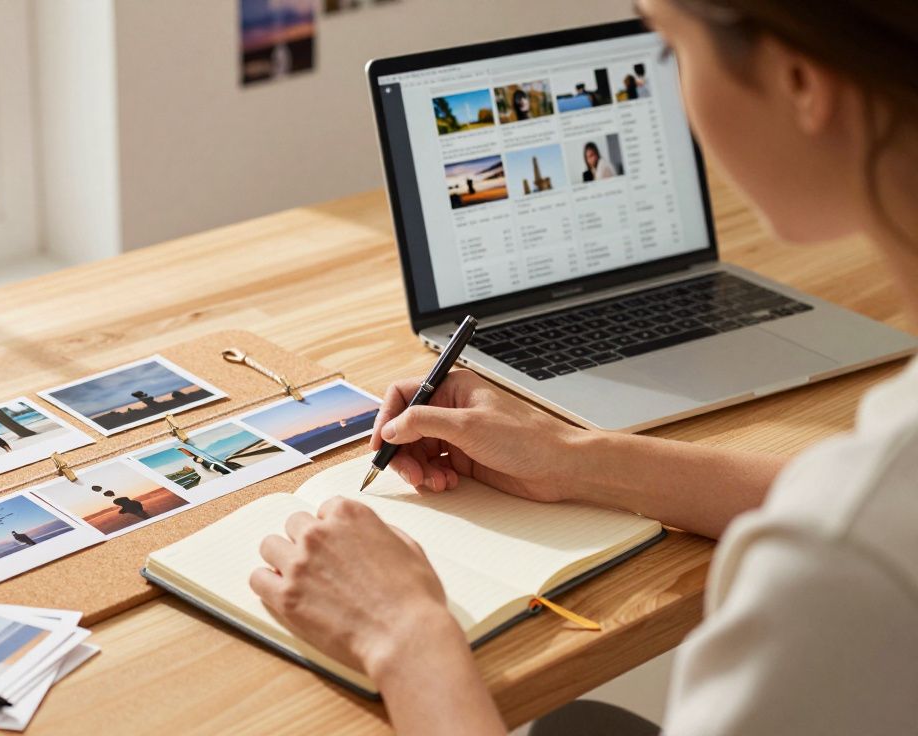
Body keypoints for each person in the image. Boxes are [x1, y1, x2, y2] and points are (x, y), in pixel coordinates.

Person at [248, 0, 918, 733]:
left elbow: (851, 520)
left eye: (669, 51)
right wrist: (573, 459)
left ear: (801, 82)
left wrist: (403, 635)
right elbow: (850, 494)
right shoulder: (868, 504)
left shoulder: (839, 572)